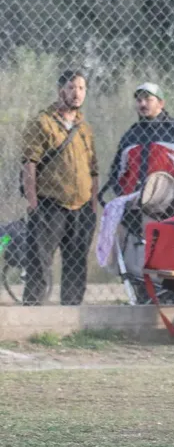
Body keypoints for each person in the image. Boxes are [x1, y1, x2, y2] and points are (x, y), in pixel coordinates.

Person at [21, 70, 100, 306]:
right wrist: (33, 202)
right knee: (40, 262)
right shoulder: (42, 122)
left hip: (82, 207)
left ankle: (72, 313)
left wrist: (93, 205)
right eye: (71, 87)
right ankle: (33, 312)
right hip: (49, 205)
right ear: (60, 90)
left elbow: (93, 168)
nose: (76, 93)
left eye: (81, 88)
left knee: (76, 263)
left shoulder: (85, 128)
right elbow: (29, 163)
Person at [100, 82, 174, 205]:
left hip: (168, 209)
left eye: (148, 99)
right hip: (133, 209)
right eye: (139, 100)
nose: (142, 104)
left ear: (161, 103)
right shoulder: (130, 135)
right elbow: (116, 172)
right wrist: (123, 196)